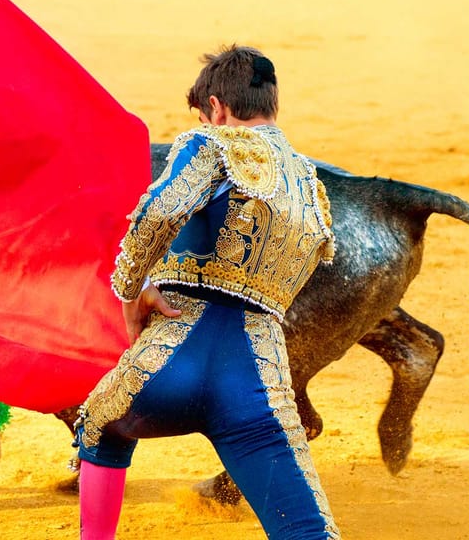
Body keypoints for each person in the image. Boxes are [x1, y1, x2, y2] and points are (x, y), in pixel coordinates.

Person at [72, 45, 341, 540]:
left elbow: (159, 211)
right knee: (307, 531)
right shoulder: (310, 184)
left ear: (216, 108)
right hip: (257, 386)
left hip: (170, 364)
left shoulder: (211, 143)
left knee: (98, 425)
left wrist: (133, 289)